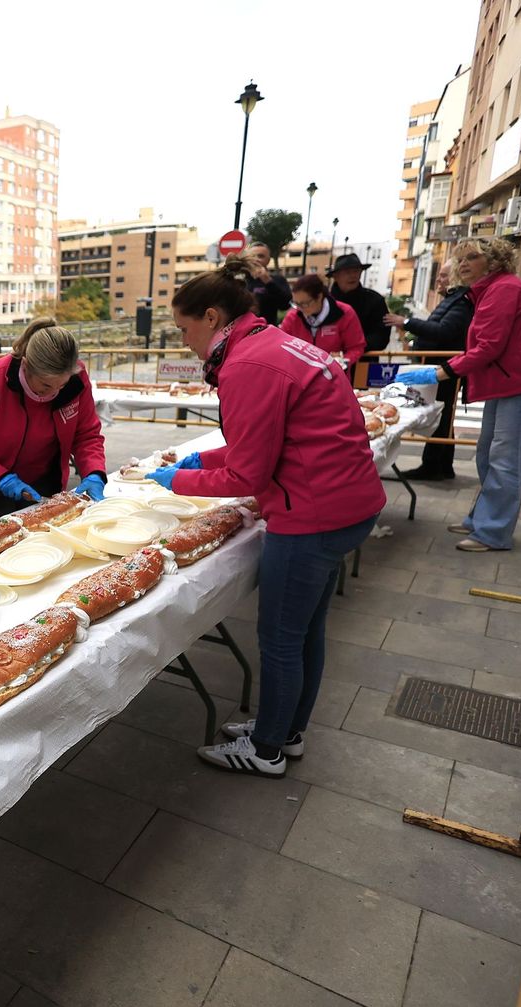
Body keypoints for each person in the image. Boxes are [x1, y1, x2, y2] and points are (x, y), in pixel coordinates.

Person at [144, 255, 386, 777]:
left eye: (183, 329)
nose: (183, 341)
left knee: (280, 638)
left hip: (312, 515)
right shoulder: (272, 343)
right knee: (305, 632)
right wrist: (200, 460)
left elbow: (247, 474)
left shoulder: (247, 365)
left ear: (212, 317)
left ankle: (267, 749)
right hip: (346, 503)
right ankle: (286, 730)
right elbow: (267, 439)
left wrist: (179, 481)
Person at [396, 238, 521, 551]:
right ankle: (482, 519)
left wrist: (440, 372)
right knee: (488, 449)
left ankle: (493, 532)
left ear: (493, 261)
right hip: (511, 380)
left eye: (472, 257)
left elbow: (489, 346)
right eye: (460, 259)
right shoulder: (490, 289)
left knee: (504, 454)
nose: (463, 264)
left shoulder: (504, 289)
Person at [0, 316, 107, 524]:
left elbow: (86, 435)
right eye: (46, 385)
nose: (55, 392)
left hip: (45, 481)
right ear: (26, 365)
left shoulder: (76, 379)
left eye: (62, 385)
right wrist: (0, 477)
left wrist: (94, 471)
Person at [385, 260, 474, 480]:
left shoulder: (461, 302)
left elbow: (443, 331)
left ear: (457, 276)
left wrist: (407, 322)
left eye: (444, 275)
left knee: (441, 415)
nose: (438, 280)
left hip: (444, 369)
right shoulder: (453, 300)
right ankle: (442, 465)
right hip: (441, 367)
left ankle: (433, 465)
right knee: (444, 416)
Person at [279, 274, 366, 366]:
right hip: (301, 371)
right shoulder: (293, 317)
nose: (300, 308)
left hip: (333, 371)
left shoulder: (345, 313)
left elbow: (356, 347)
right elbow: (281, 344)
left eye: (305, 304)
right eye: (296, 303)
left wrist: (341, 361)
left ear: (319, 296)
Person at [328, 252, 391, 353]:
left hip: (364, 359)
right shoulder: (324, 301)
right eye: (347, 272)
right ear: (335, 276)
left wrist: (353, 348)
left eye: (356, 271)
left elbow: (381, 337)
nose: (353, 275)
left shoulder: (375, 300)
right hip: (328, 358)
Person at [245, 242, 292, 325]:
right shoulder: (240, 280)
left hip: (268, 328)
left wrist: (268, 282)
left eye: (260, 256)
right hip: (242, 330)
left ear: (268, 260)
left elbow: (285, 305)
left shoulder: (277, 280)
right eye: (252, 256)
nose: (256, 259)